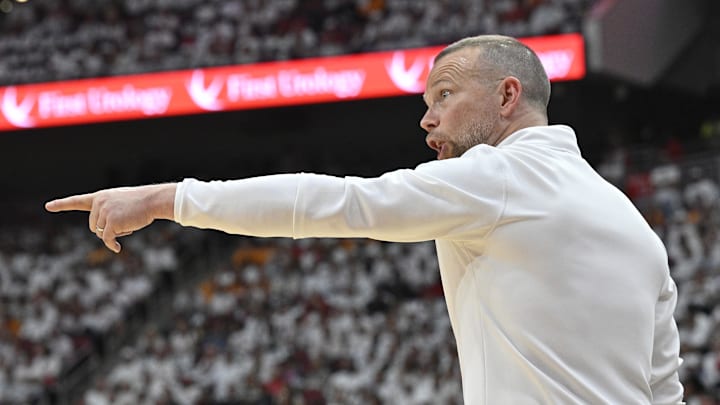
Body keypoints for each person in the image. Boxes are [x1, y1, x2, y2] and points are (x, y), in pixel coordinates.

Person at [45, 35, 684, 404]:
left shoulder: (502, 177)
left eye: (444, 96)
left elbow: (339, 202)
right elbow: (665, 392)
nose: (427, 119)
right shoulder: (632, 225)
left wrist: (167, 198)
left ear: (507, 96)